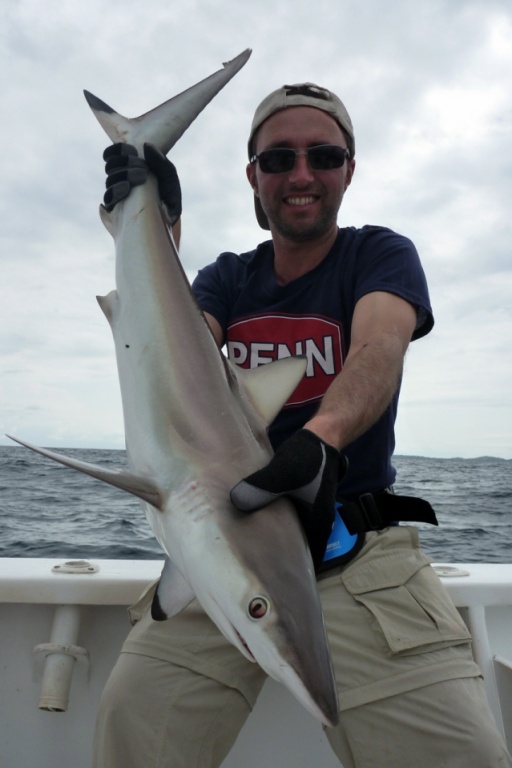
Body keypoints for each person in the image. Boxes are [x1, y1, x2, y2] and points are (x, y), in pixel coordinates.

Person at [93, 83, 511, 767]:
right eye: (278, 159)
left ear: (349, 169)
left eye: (324, 155)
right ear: (253, 177)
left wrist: (324, 437)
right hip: (220, 542)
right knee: (130, 721)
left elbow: (380, 346)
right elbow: (172, 354)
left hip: (355, 552)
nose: (302, 174)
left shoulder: (377, 255)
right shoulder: (228, 278)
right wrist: (152, 224)